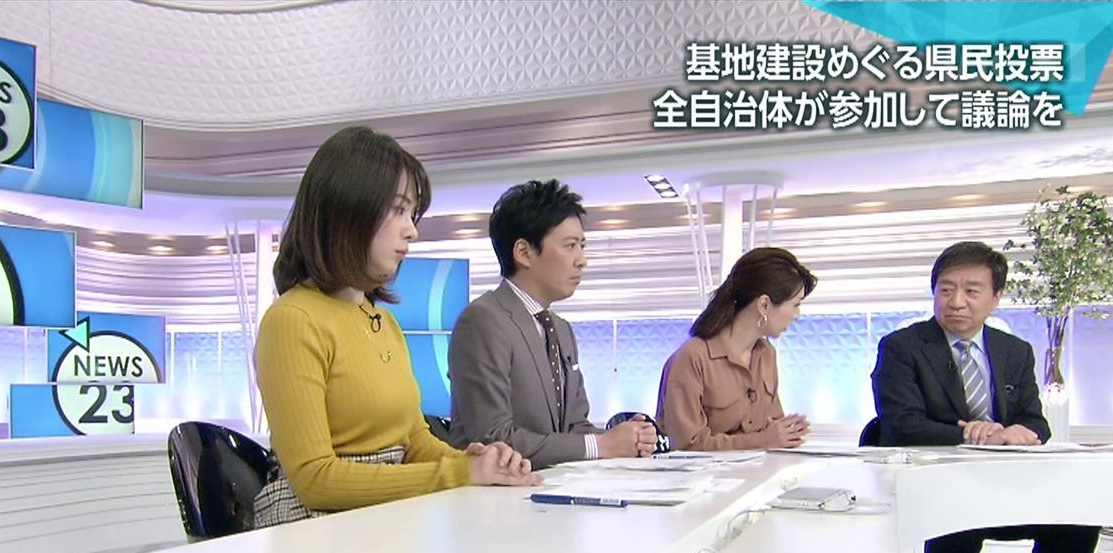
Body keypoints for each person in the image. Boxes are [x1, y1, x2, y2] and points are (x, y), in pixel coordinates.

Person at [252, 126, 540, 528]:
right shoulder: (292, 320)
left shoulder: (382, 320)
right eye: (399, 210)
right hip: (318, 528)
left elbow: (414, 440)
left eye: (412, 213)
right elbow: (315, 480)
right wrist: (458, 473)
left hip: (384, 519)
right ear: (350, 210)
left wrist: (478, 463)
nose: (412, 230)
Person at [871, 240, 1099, 553]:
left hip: (1006, 486)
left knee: (1078, 521)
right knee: (955, 514)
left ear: (996, 298)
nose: (956, 301)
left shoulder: (1014, 351)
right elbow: (900, 424)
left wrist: (1020, 432)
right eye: (946, 289)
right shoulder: (902, 347)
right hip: (938, 483)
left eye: (972, 291)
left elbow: (1036, 422)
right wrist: (971, 434)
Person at [447, 179, 656, 468]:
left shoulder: (560, 329)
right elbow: (492, 439)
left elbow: (574, 428)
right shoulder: (483, 321)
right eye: (570, 246)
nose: (582, 260)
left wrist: (627, 438)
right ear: (524, 252)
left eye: (582, 246)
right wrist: (601, 445)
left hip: (555, 487)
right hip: (498, 492)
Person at [656, 247, 816, 451]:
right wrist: (762, 441)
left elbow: (772, 426)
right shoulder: (693, 357)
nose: (797, 315)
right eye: (795, 304)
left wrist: (788, 432)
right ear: (764, 305)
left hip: (760, 470)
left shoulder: (767, 355)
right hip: (707, 473)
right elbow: (687, 446)